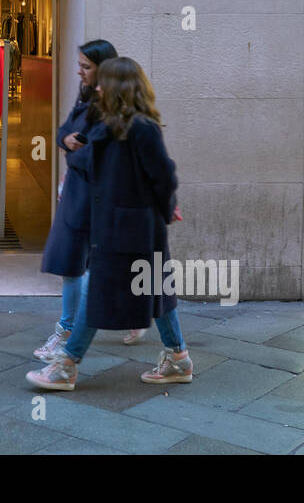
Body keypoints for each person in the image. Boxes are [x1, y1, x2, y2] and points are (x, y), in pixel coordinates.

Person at [27, 57, 192, 391]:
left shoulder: (142, 128)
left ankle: (66, 365)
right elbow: (85, 160)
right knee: (154, 290)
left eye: (103, 82)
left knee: (96, 291)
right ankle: (178, 358)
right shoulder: (109, 125)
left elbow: (163, 176)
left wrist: (165, 210)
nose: (97, 87)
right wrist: (69, 149)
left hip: (132, 229)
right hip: (117, 226)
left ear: (119, 87)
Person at [33, 39, 122, 362]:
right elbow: (64, 132)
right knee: (77, 263)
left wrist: (74, 151)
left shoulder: (113, 106)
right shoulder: (86, 95)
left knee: (79, 264)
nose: (79, 71)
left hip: (94, 194)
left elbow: (97, 155)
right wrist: (66, 142)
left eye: (86, 66)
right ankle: (71, 329)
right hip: (76, 191)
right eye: (80, 65)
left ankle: (68, 334)